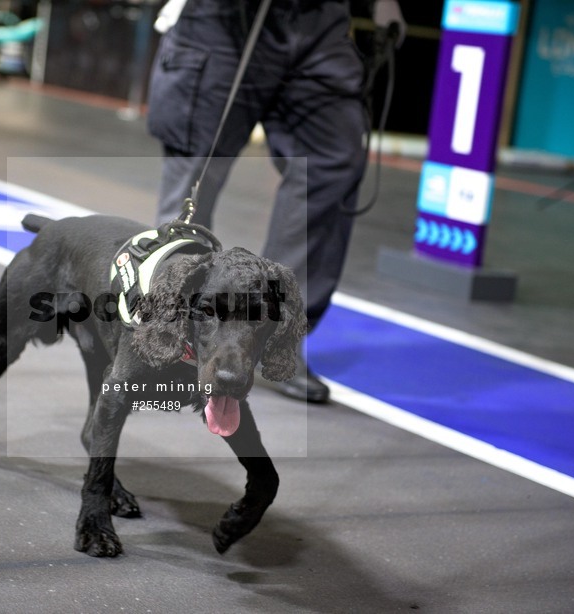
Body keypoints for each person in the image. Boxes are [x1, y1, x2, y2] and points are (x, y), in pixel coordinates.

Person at [147, 0, 405, 403]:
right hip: (222, 18)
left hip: (319, 23)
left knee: (331, 160)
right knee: (196, 170)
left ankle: (273, 341)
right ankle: (167, 336)